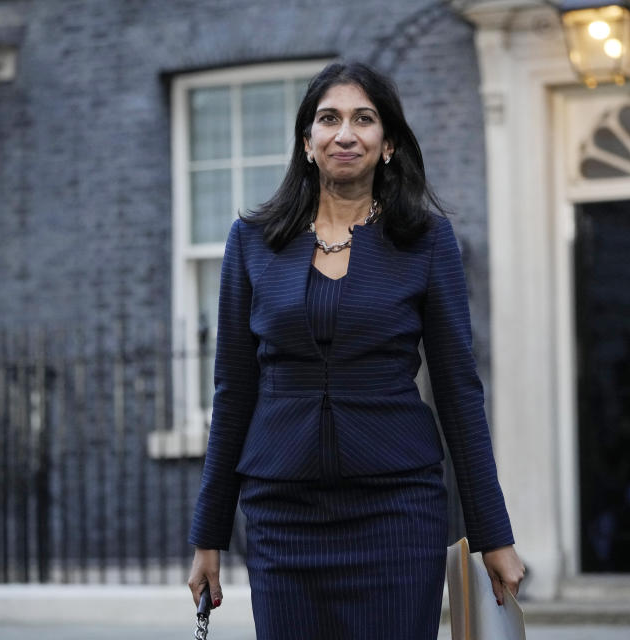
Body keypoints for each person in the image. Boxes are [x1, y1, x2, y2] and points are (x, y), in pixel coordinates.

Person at [187, 61, 524, 639]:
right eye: (329, 119)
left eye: (363, 119)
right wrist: (208, 534)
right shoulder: (252, 242)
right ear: (307, 142)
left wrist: (494, 534)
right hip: (281, 514)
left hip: (397, 511)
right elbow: (234, 390)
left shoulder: (426, 241)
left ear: (387, 143)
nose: (346, 133)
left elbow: (458, 390)